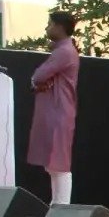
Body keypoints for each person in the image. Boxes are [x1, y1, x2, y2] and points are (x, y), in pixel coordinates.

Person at [28, 11, 80, 205]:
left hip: (58, 113)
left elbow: (39, 76)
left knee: (59, 164)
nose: (47, 28)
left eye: (49, 24)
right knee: (54, 164)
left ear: (59, 27)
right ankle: (57, 206)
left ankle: (61, 207)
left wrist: (35, 80)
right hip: (56, 112)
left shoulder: (64, 51)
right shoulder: (62, 50)